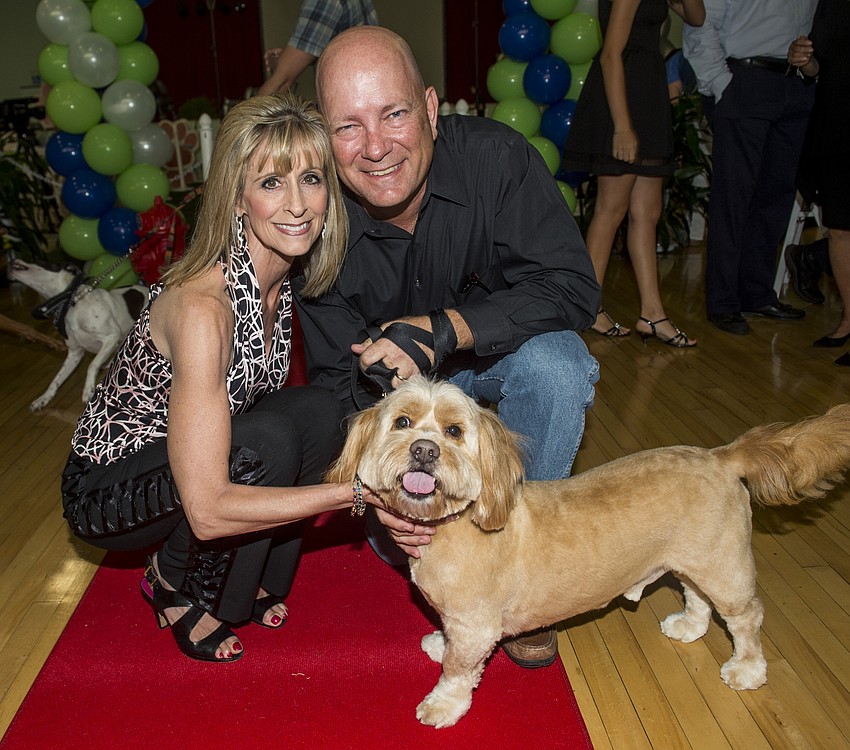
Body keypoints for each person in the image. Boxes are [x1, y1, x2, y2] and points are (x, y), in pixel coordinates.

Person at [293, 26, 602, 668]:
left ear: (431, 109)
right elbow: (332, 387)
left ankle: (526, 572)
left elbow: (574, 288)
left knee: (559, 365)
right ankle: (431, 538)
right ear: (325, 136)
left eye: (395, 114)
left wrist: (444, 329)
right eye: (348, 127)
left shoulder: (498, 161)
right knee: (393, 533)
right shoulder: (315, 222)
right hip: (407, 420)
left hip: (495, 379)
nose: (375, 148)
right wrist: (379, 500)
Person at [60, 93, 380, 663]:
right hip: (106, 489)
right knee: (265, 442)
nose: (299, 204)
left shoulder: (280, 281)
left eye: (311, 178)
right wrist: (358, 493)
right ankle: (173, 584)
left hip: (185, 455)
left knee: (320, 413)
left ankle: (249, 578)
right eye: (271, 184)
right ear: (237, 199)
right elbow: (207, 507)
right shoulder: (204, 308)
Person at [562, 0, 704, 347]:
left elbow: (697, 16)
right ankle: (587, 308)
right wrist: (623, 127)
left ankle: (652, 314)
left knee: (648, 210)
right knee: (612, 208)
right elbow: (611, 53)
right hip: (622, 97)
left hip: (646, 92)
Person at [683, 0, 817, 335]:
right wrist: (720, 84)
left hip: (794, 85)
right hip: (744, 80)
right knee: (734, 197)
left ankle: (757, 293)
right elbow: (701, 23)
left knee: (776, 197)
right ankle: (724, 302)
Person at [785, 0, 850, 366]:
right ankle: (848, 320)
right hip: (837, 121)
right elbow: (821, 66)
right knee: (840, 228)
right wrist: (804, 60)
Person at [257, 0, 378, 96]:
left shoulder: (323, 2)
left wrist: (242, 122)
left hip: (349, 107)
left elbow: (281, 82)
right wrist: (288, 58)